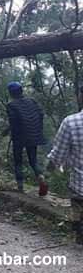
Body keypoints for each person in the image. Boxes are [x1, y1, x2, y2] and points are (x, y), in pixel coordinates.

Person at [46, 86, 83, 245]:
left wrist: (48, 172)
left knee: (78, 214)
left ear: (80, 97)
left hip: (80, 187)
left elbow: (58, 155)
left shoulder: (71, 122)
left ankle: (80, 237)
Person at [4, 81, 48, 196]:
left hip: (19, 137)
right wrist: (37, 129)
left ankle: (20, 188)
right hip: (33, 134)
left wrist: (8, 132)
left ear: (11, 93)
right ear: (21, 91)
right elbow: (41, 114)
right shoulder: (32, 101)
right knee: (33, 160)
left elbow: (13, 122)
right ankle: (41, 178)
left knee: (18, 162)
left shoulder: (11, 105)